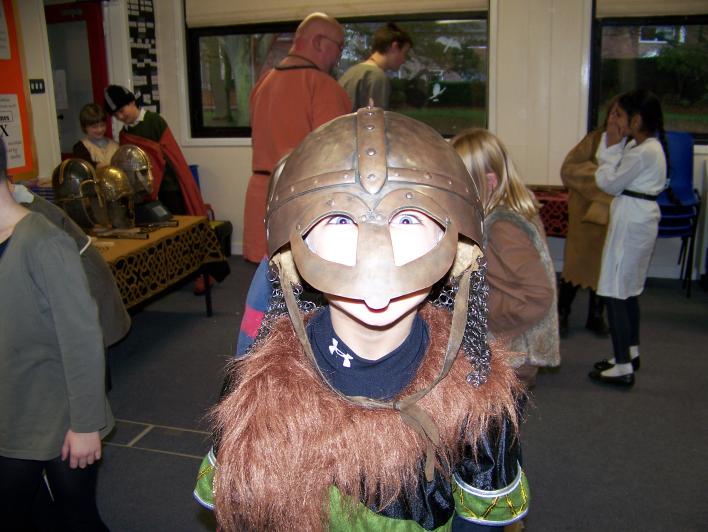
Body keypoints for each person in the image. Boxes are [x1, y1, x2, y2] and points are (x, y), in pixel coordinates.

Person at [195, 109, 529, 530]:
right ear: (292, 250)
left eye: (407, 218)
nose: (376, 252)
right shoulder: (256, 387)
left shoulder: (479, 403)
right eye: (338, 218)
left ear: (456, 244)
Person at [0, 139, 114, 530]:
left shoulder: (43, 243)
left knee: (77, 518)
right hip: (12, 410)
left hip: (55, 418)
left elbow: (82, 340)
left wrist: (85, 424)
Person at [452, 129, 559, 389]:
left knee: (493, 428)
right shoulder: (501, 216)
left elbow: (537, 295)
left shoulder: (503, 229)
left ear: (489, 182)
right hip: (504, 353)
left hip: (508, 357)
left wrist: (475, 306)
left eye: (462, 183)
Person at [242, 12, 351, 263]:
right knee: (303, 287)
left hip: (260, 195)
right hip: (300, 201)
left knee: (265, 282)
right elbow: (335, 157)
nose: (339, 56)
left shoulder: (263, 83)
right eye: (339, 47)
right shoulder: (323, 86)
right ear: (318, 43)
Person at [588, 90, 668, 387]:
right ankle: (630, 352)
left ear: (636, 119)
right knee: (629, 289)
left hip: (632, 221)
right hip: (638, 218)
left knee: (616, 292)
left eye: (618, 115)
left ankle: (623, 367)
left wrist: (608, 146)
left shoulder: (641, 152)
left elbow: (608, 182)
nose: (613, 121)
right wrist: (615, 144)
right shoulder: (645, 146)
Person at [557, 100, 621, 338]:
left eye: (620, 115)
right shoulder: (594, 140)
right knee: (575, 266)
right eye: (613, 114)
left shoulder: (633, 148)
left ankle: (596, 315)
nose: (615, 120)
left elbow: (626, 180)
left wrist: (611, 184)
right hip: (585, 217)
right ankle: (562, 312)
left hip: (612, 218)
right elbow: (569, 170)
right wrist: (603, 183)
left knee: (604, 267)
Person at [103, 84, 207, 217]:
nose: (120, 116)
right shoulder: (124, 134)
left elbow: (171, 154)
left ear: (132, 102)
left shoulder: (154, 121)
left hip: (168, 185)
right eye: (116, 115)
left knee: (177, 221)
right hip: (143, 192)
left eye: (122, 111)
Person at [339, 22, 412, 111]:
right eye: (405, 53)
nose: (404, 60)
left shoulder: (351, 72)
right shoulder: (376, 77)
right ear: (394, 47)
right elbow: (375, 121)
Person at [72, 103, 120, 168]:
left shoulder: (115, 145)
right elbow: (86, 167)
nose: (99, 130)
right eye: (94, 127)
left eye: (102, 125)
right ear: (84, 127)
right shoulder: (80, 148)